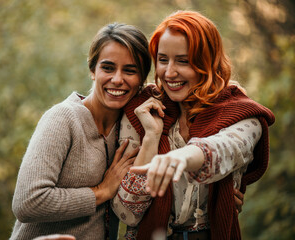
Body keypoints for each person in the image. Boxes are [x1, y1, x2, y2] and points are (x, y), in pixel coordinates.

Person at [111, 10, 275, 240]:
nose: (169, 73)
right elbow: (126, 213)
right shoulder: (142, 111)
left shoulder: (243, 114)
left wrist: (181, 157)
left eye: (183, 61)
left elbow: (224, 149)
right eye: (162, 59)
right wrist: (151, 136)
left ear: (208, 62)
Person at [9, 22, 152, 240]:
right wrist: (102, 191)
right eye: (108, 67)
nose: (117, 79)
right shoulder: (62, 118)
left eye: (130, 71)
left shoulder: (130, 129)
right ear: (92, 70)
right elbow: (27, 202)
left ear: (141, 79)